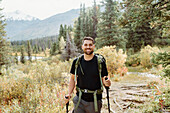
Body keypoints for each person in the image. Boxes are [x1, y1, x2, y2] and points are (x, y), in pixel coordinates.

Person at [65, 37, 111, 113]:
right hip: (79, 99)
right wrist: (69, 94)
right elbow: (73, 79)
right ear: (82, 46)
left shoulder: (100, 62)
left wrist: (107, 83)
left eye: (90, 45)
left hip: (94, 101)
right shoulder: (77, 62)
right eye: (86, 45)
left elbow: (105, 80)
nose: (88, 47)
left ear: (94, 46)